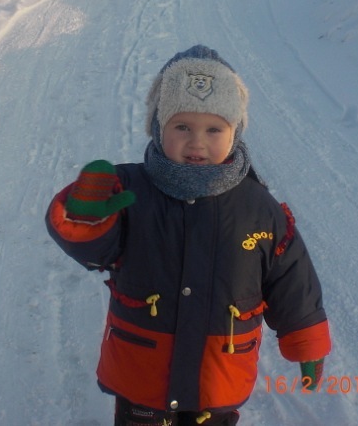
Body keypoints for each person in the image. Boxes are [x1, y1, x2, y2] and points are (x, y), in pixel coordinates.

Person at [45, 45, 331, 425]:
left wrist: (306, 342)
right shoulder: (128, 189)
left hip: (219, 373)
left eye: (214, 129)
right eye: (182, 127)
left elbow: (291, 277)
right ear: (158, 127)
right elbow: (97, 249)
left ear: (235, 132)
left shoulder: (258, 206)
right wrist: (86, 219)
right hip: (142, 369)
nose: (197, 142)